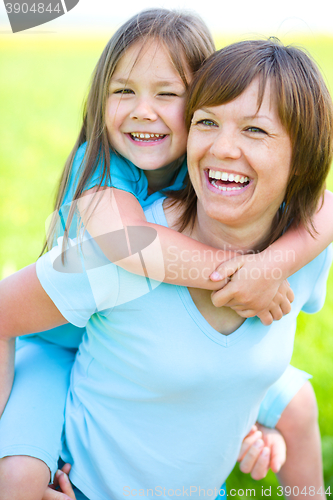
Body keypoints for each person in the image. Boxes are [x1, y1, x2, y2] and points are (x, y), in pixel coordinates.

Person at [0, 37, 332, 500]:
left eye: (254, 130)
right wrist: (241, 271)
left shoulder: (308, 246)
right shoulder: (115, 247)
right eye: (208, 122)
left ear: (303, 158)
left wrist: (255, 419)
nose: (223, 148)